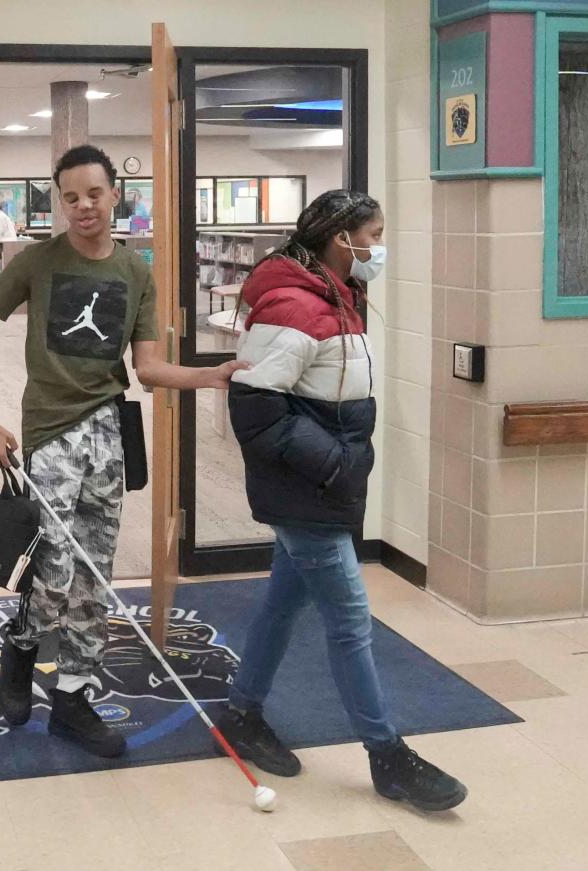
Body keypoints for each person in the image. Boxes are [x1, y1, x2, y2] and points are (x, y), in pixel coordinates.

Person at [0, 144, 246, 759]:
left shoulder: (136, 271)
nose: (83, 206)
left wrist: (209, 376)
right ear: (59, 203)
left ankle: (73, 701)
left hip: (107, 433)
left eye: (93, 193)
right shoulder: (37, 262)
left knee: (94, 574)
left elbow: (148, 367)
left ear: (117, 194)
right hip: (50, 431)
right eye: (70, 197)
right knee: (54, 567)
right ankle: (23, 643)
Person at [217, 190, 468, 813]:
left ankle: (243, 711)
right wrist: (337, 464)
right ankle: (388, 758)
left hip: (321, 486)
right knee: (352, 623)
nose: (379, 247)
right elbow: (255, 409)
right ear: (341, 239)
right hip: (309, 491)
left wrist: (341, 465)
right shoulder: (297, 305)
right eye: (374, 235)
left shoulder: (335, 295)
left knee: (282, 603)